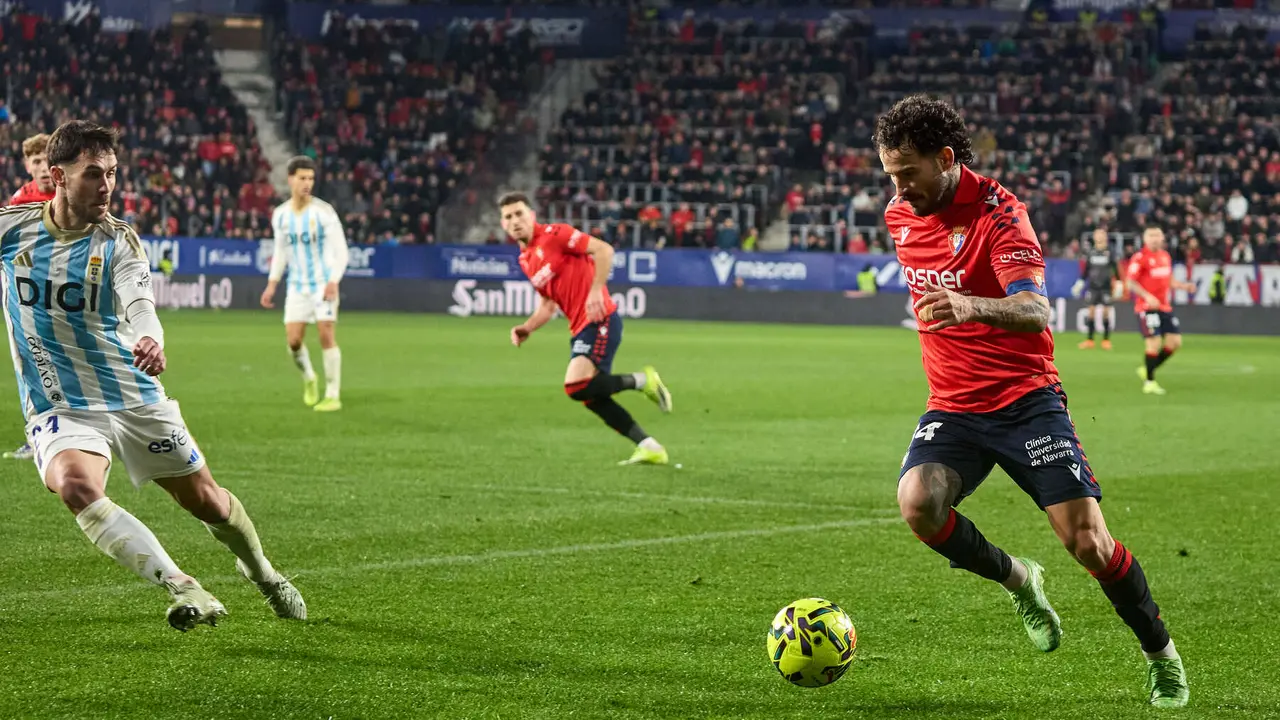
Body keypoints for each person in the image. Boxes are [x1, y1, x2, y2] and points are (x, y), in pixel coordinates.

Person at [875, 95, 1188, 708]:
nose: (899, 188)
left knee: (1089, 543)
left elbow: (1036, 309)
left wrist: (972, 305)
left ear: (946, 159)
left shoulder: (1002, 216)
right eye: (890, 174)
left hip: (1026, 401)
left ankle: (1160, 652)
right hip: (955, 406)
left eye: (908, 172)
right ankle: (1019, 579)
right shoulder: (900, 214)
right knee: (918, 505)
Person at [0, 120, 305, 630]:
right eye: (93, 174)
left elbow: (142, 305)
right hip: (61, 404)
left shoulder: (119, 241)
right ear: (57, 176)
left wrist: (150, 339)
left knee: (205, 501)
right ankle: (183, 586)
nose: (107, 186)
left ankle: (264, 573)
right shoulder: (12, 229)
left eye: (113, 174)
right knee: (75, 485)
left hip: (132, 393)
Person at [498, 192, 673, 466]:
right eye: (508, 217)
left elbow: (604, 250)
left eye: (519, 213)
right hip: (580, 328)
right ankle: (649, 446)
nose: (515, 220)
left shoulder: (556, 235)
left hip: (600, 318)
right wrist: (527, 328)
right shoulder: (526, 259)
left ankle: (642, 381)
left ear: (532, 215)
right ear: (503, 225)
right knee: (589, 394)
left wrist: (594, 291)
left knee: (575, 386)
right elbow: (548, 303)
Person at [260, 156, 349, 412]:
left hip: (323, 284)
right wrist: (272, 284)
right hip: (297, 287)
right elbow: (281, 252)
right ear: (291, 180)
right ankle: (310, 377)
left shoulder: (324, 213)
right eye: (302, 178)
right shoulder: (281, 215)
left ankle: (333, 394)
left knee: (326, 334)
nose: (307, 183)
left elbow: (341, 251)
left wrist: (334, 281)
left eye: (311, 178)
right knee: (294, 342)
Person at [4, 132, 58, 461]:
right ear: (27, 165)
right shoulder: (19, 201)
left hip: (68, 295)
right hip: (28, 297)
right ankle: (37, 434)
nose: (41, 167)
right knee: (29, 365)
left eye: (45, 160)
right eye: (35, 161)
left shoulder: (72, 196)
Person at [1126, 226, 1197, 395]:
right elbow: (1130, 282)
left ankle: (1148, 368)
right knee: (1154, 342)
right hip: (1147, 307)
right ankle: (1149, 382)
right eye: (1151, 235)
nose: (1155, 238)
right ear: (1145, 238)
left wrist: (1183, 286)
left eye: (1157, 235)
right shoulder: (1140, 258)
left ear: (1163, 237)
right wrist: (1147, 296)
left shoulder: (1165, 256)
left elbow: (1169, 280)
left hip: (1164, 306)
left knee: (1175, 342)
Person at [1074, 227, 1119, 350]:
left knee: (1105, 313)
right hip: (1093, 287)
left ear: (1105, 237)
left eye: (1101, 234)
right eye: (1097, 235)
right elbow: (1086, 270)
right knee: (1091, 312)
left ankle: (1106, 340)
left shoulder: (1110, 252)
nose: (1099, 237)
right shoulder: (1091, 252)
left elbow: (1115, 268)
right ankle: (1090, 340)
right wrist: (1080, 283)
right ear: (1094, 237)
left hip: (1106, 287)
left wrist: (1119, 282)